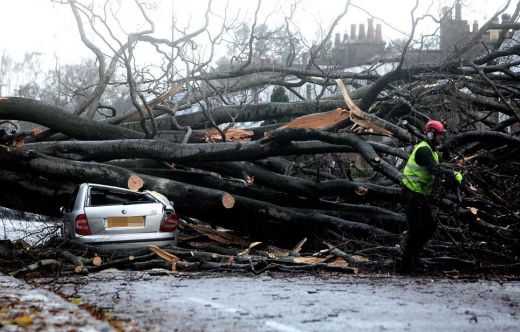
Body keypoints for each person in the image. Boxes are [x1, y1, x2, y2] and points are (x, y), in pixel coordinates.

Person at [399, 120, 463, 272]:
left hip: (420, 195)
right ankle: (406, 266)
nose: (441, 138)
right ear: (430, 134)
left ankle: (414, 260)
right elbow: (435, 170)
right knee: (416, 228)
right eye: (439, 135)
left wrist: (453, 170)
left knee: (429, 226)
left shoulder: (432, 150)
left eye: (442, 135)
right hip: (412, 193)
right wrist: (453, 174)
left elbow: (439, 167)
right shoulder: (424, 150)